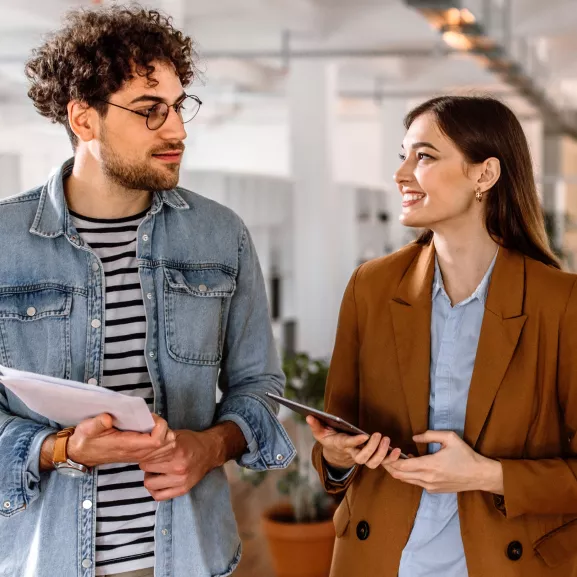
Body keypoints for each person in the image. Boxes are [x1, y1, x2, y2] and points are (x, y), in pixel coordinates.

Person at [0, 6, 294, 577]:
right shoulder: (4, 243)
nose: (178, 130)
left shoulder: (220, 235)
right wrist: (59, 449)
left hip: (189, 558)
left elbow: (260, 386)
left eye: (179, 107)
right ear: (84, 120)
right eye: (149, 111)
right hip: (46, 560)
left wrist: (209, 448)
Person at [308, 95, 577, 577]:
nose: (402, 174)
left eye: (425, 156)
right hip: (382, 558)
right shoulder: (370, 287)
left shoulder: (561, 303)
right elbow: (337, 436)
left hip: (505, 562)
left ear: (484, 175)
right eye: (403, 156)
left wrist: (486, 474)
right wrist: (335, 455)